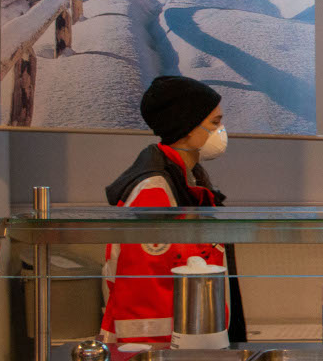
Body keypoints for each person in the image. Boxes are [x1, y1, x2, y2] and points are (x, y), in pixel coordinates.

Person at [100, 75, 244, 344]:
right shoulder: (153, 192)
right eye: (215, 122)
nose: (222, 130)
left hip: (186, 346)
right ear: (186, 127)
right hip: (156, 356)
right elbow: (144, 296)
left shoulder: (186, 182)